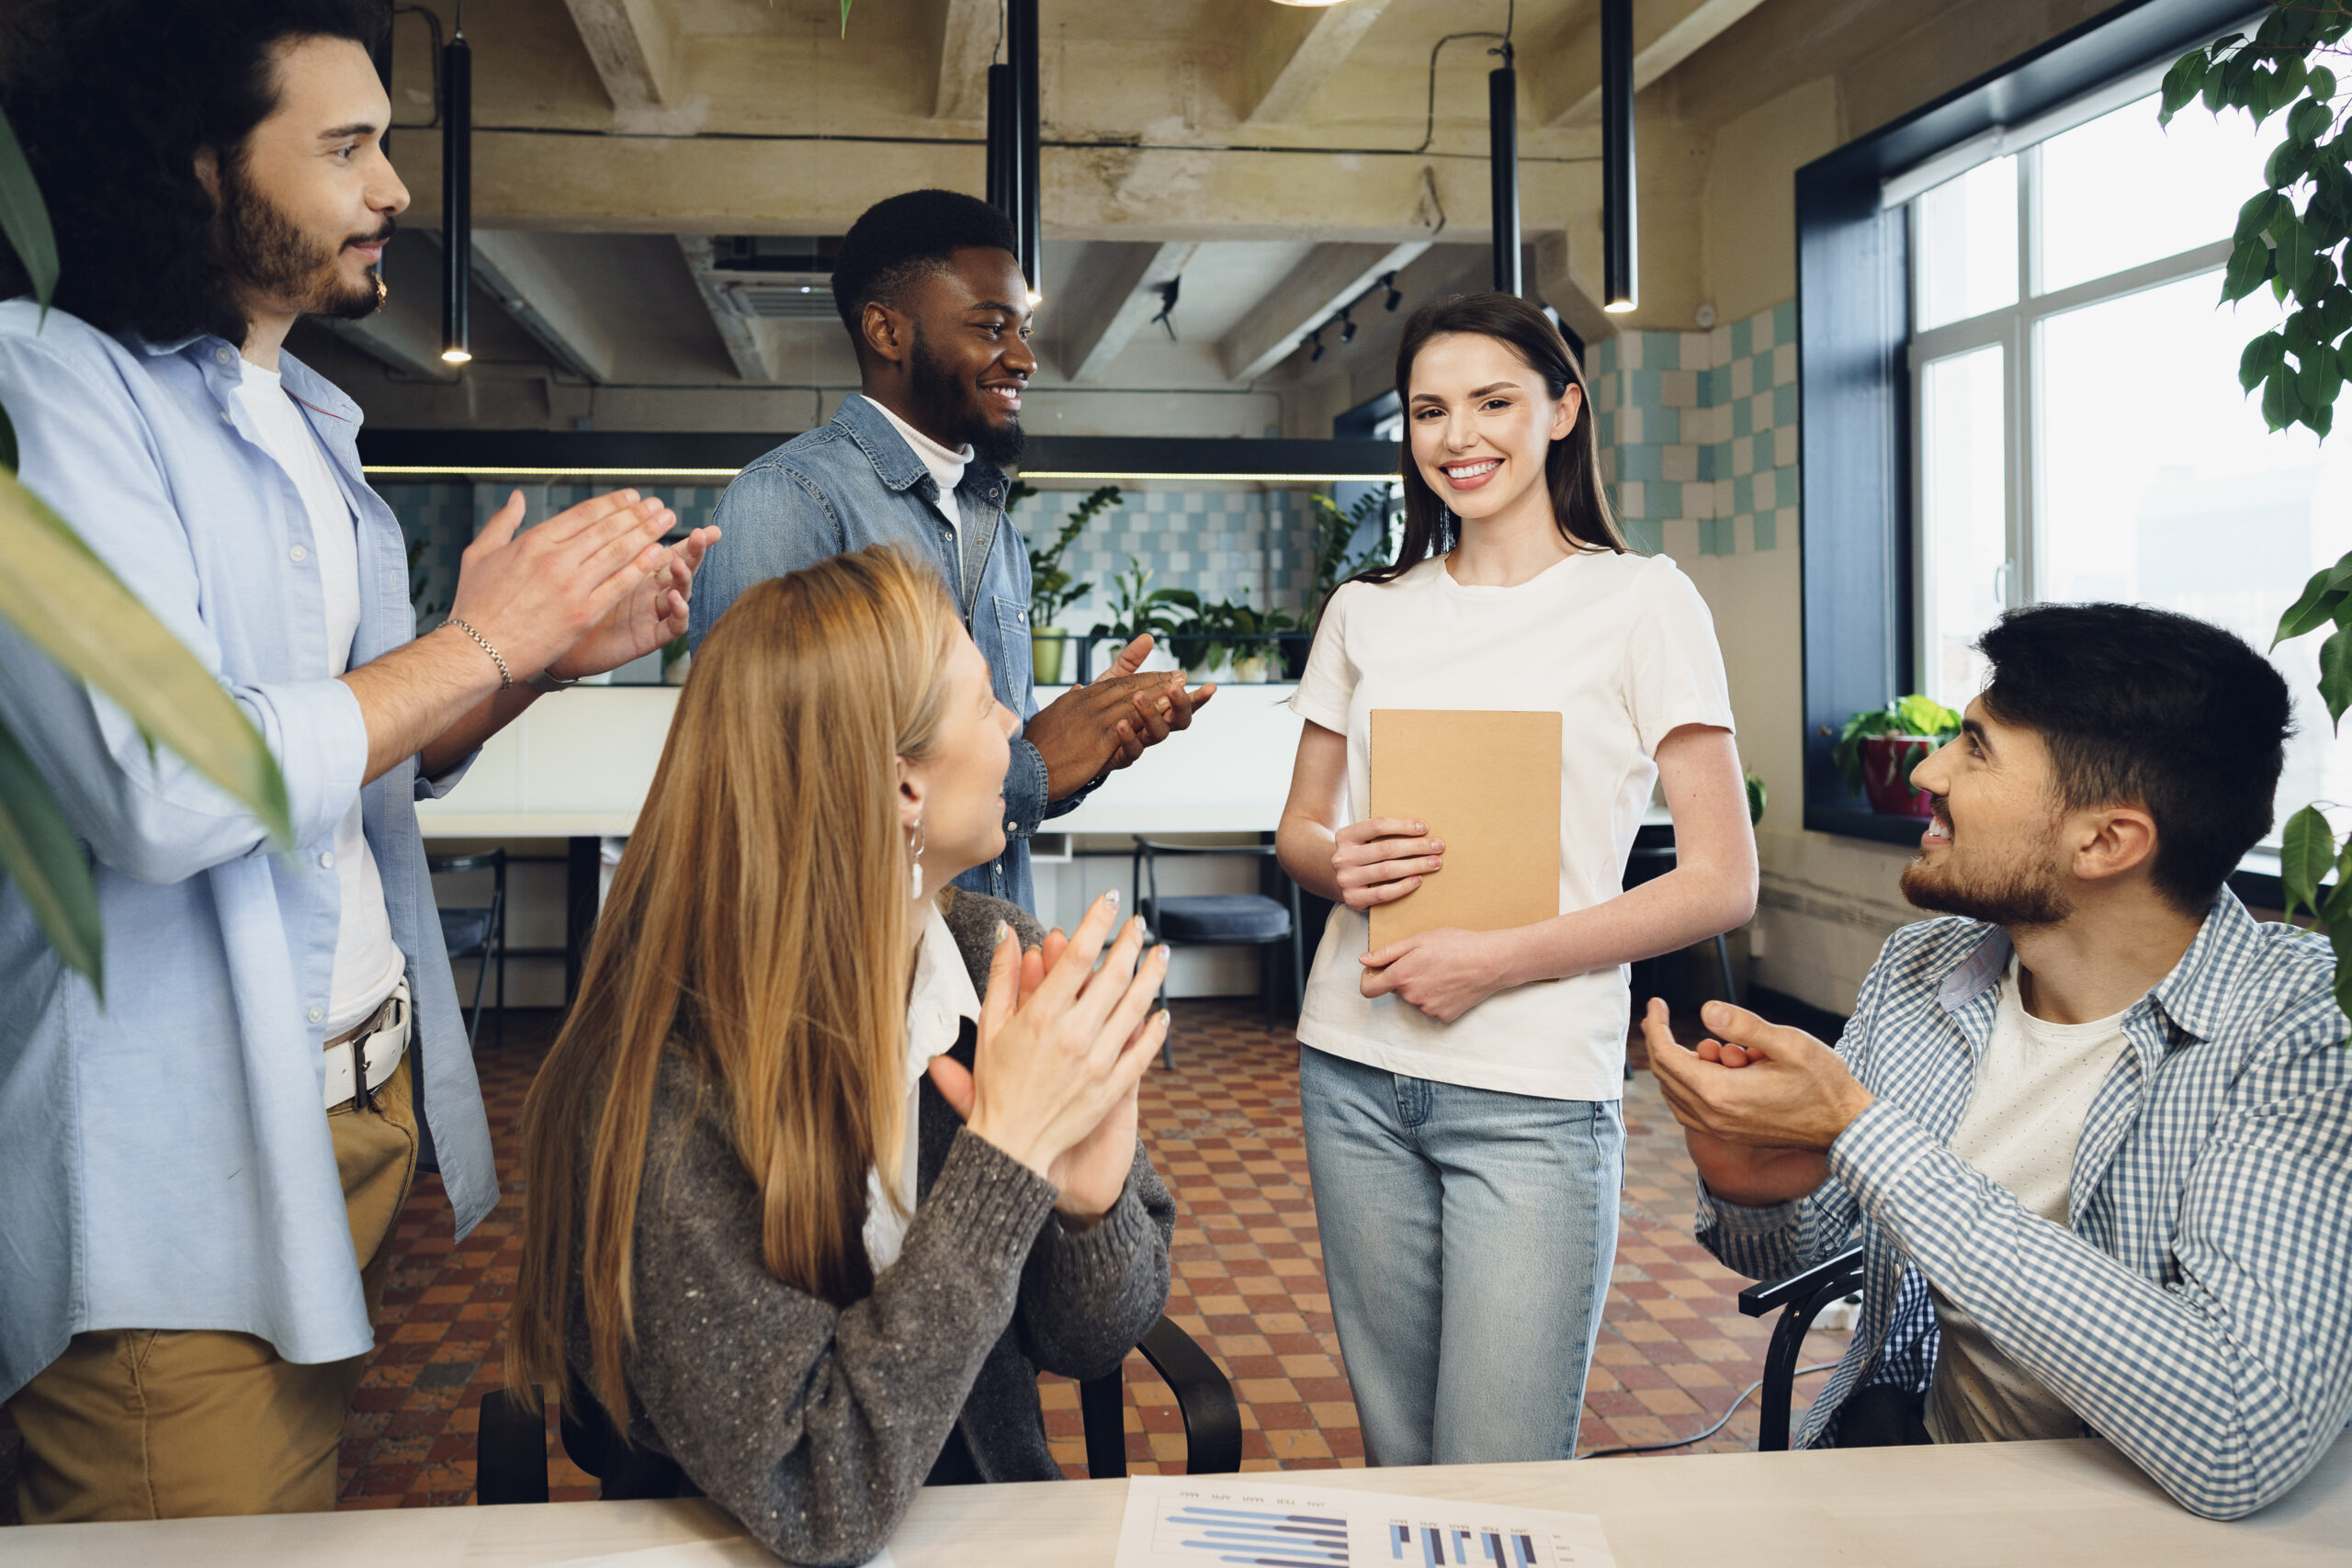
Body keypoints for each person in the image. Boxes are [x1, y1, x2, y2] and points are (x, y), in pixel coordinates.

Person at [0, 0, 717, 1521]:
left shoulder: (310, 413)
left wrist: (524, 667)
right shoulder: (45, 378)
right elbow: (162, 777)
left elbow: (349, 770)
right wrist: (480, 646)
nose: (393, 188)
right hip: (176, 1156)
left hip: (353, 1106)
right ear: (199, 172)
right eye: (347, 147)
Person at [508, 547, 1174, 1563]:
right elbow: (816, 1502)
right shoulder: (665, 1086)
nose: (1013, 736)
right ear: (903, 787)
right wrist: (1004, 1162)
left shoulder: (1000, 958)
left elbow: (1091, 1339)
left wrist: (1091, 1206)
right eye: (990, 703)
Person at [1645, 603, 2352, 1520]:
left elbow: (2236, 1439)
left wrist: (1864, 1134)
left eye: (1974, 749)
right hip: (1936, 1485)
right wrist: (1756, 1187)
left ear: (2105, 841)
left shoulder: (2303, 1028)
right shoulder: (1922, 968)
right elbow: (1815, 1250)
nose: (1927, 769)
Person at [1274, 292, 1759, 1466]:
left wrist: (1492, 959)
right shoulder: (1365, 611)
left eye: (1493, 401)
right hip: (1352, 1063)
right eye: (1430, 410)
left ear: (1561, 409)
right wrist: (1336, 864)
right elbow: (1295, 830)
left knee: (1497, 1471)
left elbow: (1720, 880)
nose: (1460, 436)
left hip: (1534, 1093)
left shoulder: (1643, 601)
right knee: (1401, 1459)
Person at [688, 188, 1211, 913]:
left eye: (1023, 328)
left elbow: (999, 781)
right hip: (851, 986)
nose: (1024, 358)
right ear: (886, 331)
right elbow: (770, 787)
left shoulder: (997, 529)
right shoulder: (790, 500)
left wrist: (1090, 741)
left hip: (982, 977)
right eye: (992, 327)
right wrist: (1033, 765)